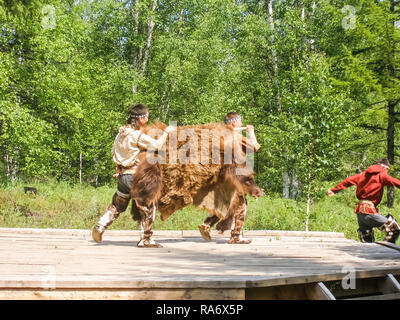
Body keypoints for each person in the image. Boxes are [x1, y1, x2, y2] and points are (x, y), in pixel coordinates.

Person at [91, 104, 175, 247]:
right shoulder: (137, 135)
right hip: (136, 176)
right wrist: (167, 132)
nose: (148, 119)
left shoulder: (120, 134)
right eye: (147, 116)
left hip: (123, 176)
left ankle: (100, 226)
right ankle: (146, 238)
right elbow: (156, 145)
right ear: (141, 118)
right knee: (149, 205)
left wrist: (119, 167)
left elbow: (114, 152)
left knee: (117, 205)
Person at [197, 112, 260, 244]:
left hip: (223, 175)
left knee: (228, 203)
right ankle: (236, 236)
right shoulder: (235, 136)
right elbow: (254, 147)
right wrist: (251, 132)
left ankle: (207, 223)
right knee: (241, 205)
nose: (241, 124)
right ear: (233, 123)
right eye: (240, 121)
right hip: (236, 175)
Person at [327, 158, 400, 243]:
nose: (387, 172)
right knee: (394, 228)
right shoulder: (382, 175)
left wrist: (334, 190)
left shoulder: (362, 175)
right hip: (369, 212)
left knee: (367, 240)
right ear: (384, 168)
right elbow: (395, 181)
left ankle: (373, 254)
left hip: (361, 214)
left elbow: (348, 181)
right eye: (387, 170)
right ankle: (388, 252)